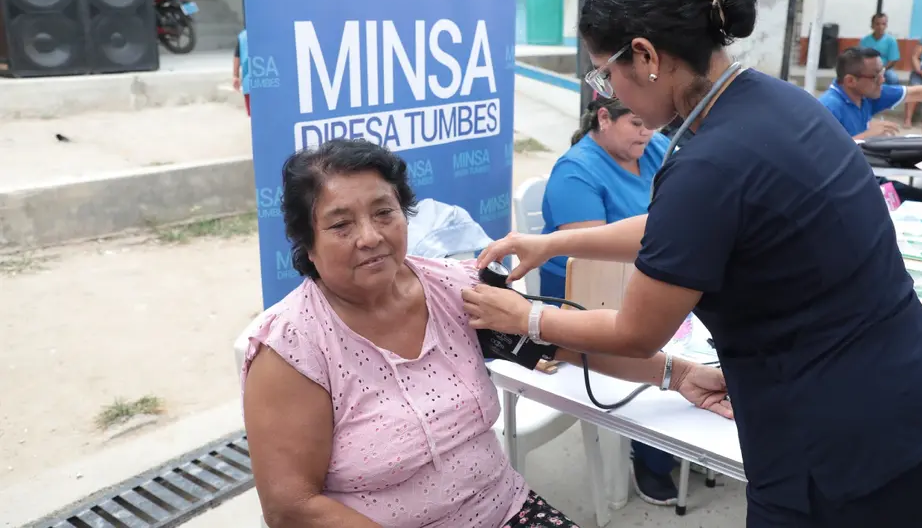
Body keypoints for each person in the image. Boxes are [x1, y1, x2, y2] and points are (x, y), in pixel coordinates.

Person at [461, 0, 922, 528]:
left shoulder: (708, 162)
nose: (610, 93)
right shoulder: (777, 103)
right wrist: (554, 244)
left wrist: (524, 317)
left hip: (846, 458)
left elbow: (636, 330)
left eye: (606, 73)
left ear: (647, 56)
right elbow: (680, 229)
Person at [241, 139, 731, 528]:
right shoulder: (292, 347)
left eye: (384, 212)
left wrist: (678, 373)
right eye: (341, 224)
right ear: (307, 242)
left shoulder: (455, 289)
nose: (370, 236)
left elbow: (561, 341)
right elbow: (292, 508)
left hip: (505, 512)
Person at [540, 98, 679, 505]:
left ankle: (684, 434)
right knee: (653, 344)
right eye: (636, 123)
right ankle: (651, 454)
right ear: (604, 118)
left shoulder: (652, 146)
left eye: (651, 124)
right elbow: (594, 265)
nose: (647, 132)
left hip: (654, 272)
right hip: (587, 294)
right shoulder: (575, 173)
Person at [817, 46, 922, 203]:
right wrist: (866, 136)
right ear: (850, 81)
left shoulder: (866, 94)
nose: (883, 80)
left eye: (883, 72)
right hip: (843, 188)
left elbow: (916, 93)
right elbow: (824, 157)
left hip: (869, 176)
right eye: (876, 76)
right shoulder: (827, 108)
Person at [859, 13, 901, 85]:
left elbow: (893, 59)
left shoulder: (891, 40)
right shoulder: (864, 41)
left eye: (883, 24)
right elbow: (860, 57)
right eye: (877, 24)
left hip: (885, 69)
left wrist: (882, 70)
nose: (880, 27)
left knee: (893, 78)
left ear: (886, 25)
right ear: (872, 25)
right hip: (868, 69)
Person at [233, 28, 250, 116]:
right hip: (270, 80)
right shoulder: (270, 31)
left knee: (253, 117)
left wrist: (235, 76)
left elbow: (237, 55)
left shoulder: (243, 35)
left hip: (249, 82)